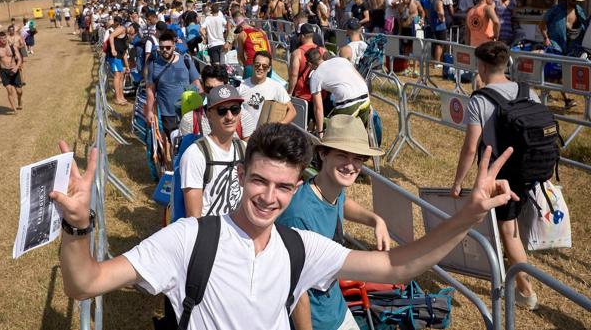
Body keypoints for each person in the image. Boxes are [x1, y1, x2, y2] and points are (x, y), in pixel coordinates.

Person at [51, 116, 518, 330]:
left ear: (298, 186)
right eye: (259, 181)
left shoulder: (299, 248)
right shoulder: (189, 239)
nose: (269, 198)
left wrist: (469, 216)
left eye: (283, 187)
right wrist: (78, 228)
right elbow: (85, 283)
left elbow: (396, 266)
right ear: (240, 175)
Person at [278, 115, 390, 330]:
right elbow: (297, 290)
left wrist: (375, 220)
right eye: (342, 155)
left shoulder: (329, 189)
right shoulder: (298, 215)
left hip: (336, 308)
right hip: (316, 321)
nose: (351, 165)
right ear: (322, 154)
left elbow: (343, 203)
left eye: (358, 158)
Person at [451, 41, 538, 310]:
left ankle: (527, 291)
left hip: (501, 175)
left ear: (483, 66)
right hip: (529, 169)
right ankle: (513, 273)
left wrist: (458, 181)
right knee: (514, 229)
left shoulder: (480, 99)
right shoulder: (527, 90)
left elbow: (470, 147)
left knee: (508, 233)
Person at [180, 84, 247, 218]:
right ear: (209, 114)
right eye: (222, 110)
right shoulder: (195, 155)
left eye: (235, 109)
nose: (229, 116)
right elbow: (194, 218)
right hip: (211, 233)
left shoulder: (244, 149)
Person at [538, 0, 588, 109]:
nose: (575, 2)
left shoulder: (579, 11)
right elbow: (542, 24)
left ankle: (544, 94)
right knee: (558, 70)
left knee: (558, 73)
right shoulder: (556, 9)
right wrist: (546, 38)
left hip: (570, 45)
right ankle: (565, 100)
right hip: (555, 43)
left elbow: (585, 26)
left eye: (577, 0)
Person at [146, 31, 202, 139]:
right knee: (173, 143)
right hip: (167, 113)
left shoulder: (186, 60)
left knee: (189, 141)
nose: (164, 50)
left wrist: (202, 108)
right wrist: (149, 111)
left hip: (188, 111)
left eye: (168, 47)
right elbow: (150, 90)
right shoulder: (154, 64)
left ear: (174, 46)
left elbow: (196, 84)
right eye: (162, 48)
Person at [179, 65, 256, 140]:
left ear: (227, 87)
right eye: (209, 89)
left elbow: (249, 150)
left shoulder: (243, 117)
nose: (213, 94)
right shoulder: (190, 120)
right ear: (203, 88)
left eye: (218, 89)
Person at [310, 56, 371, 136]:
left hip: (348, 103)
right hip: (365, 99)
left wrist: (320, 131)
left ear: (309, 64)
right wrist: (370, 104)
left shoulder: (315, 76)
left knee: (334, 132)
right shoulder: (341, 60)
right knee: (359, 134)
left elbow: (318, 108)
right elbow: (361, 79)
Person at [238, 50, 296, 126]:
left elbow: (292, 111)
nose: (260, 68)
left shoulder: (276, 87)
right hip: (246, 135)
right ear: (252, 65)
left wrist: (278, 126)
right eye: (257, 65)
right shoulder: (242, 86)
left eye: (264, 66)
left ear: (269, 69)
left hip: (265, 135)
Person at [235, 15, 271, 79]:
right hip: (266, 64)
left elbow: (240, 55)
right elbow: (269, 50)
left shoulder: (243, 34)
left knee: (247, 88)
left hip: (252, 64)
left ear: (241, 27)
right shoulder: (262, 31)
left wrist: (246, 65)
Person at [0, 31, 24, 114]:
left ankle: (19, 99)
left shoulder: (12, 47)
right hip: (4, 71)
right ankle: (14, 109)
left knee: (19, 91)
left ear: (6, 37)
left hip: (14, 70)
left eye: (4, 38)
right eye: (1, 38)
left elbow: (19, 59)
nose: (3, 40)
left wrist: (16, 67)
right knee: (9, 90)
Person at [107, 16, 130, 105]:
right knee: (117, 76)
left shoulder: (125, 35)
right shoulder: (121, 29)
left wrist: (127, 66)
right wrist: (113, 49)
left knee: (121, 76)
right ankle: (117, 98)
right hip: (114, 57)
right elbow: (111, 36)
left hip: (119, 57)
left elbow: (124, 52)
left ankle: (121, 96)